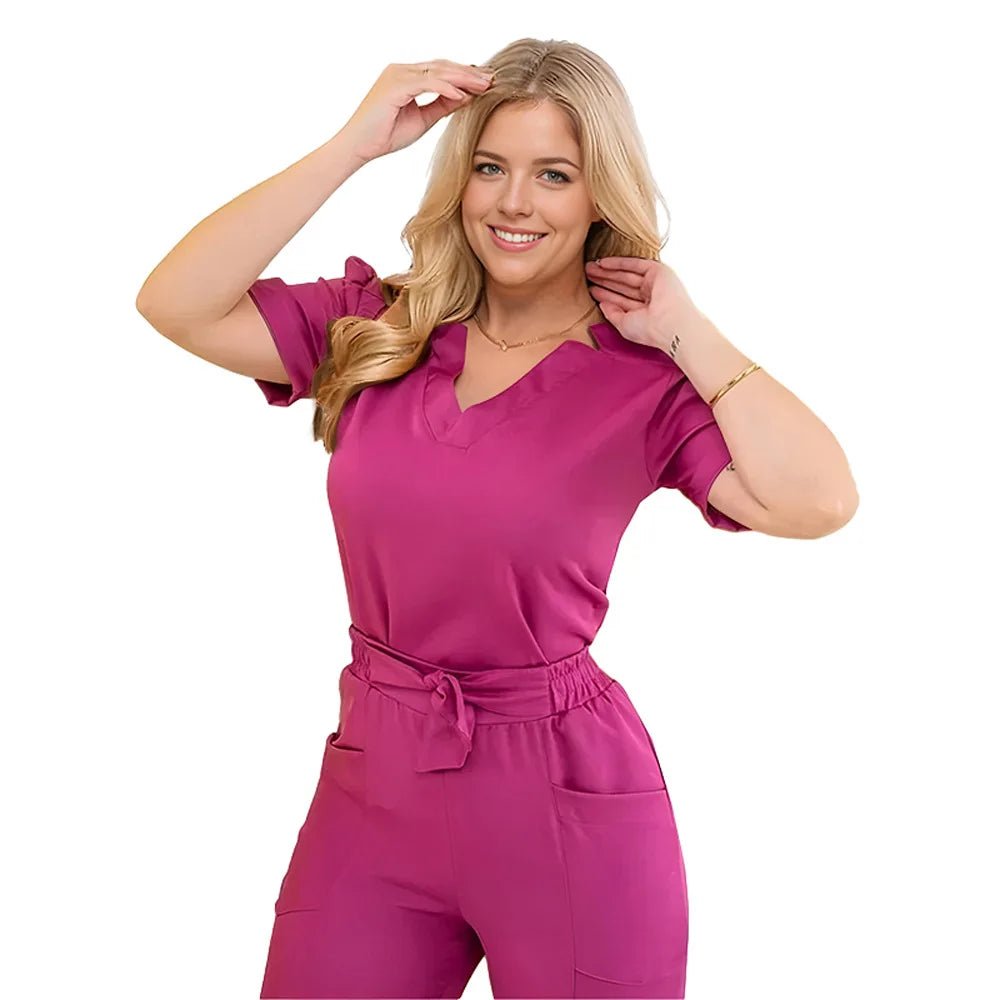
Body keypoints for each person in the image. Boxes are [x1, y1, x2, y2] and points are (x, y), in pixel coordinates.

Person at [137, 37, 852, 1000]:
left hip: (563, 799)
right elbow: (175, 304)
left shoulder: (643, 379)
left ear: (598, 195)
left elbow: (818, 500)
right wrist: (352, 146)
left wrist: (690, 332)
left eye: (554, 174)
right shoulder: (383, 326)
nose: (514, 202)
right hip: (373, 785)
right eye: (489, 167)